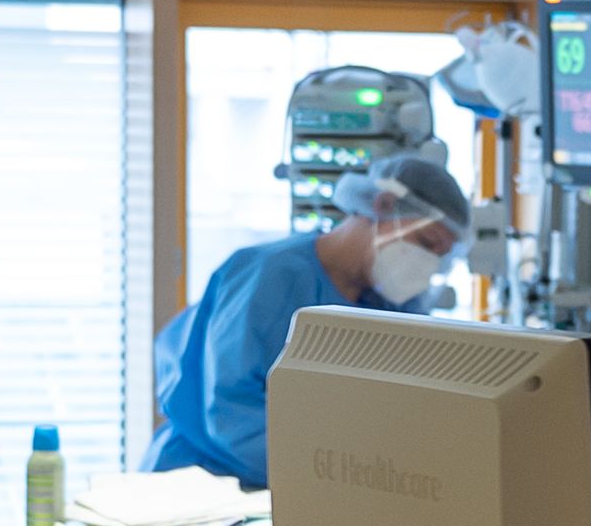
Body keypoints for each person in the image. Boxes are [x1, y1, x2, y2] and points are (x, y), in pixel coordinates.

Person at [147, 152, 474, 485]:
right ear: (384, 205)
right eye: (426, 243)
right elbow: (229, 412)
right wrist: (325, 477)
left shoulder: (395, 308)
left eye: (441, 256)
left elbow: (405, 408)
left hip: (311, 487)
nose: (428, 263)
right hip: (204, 480)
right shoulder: (270, 276)